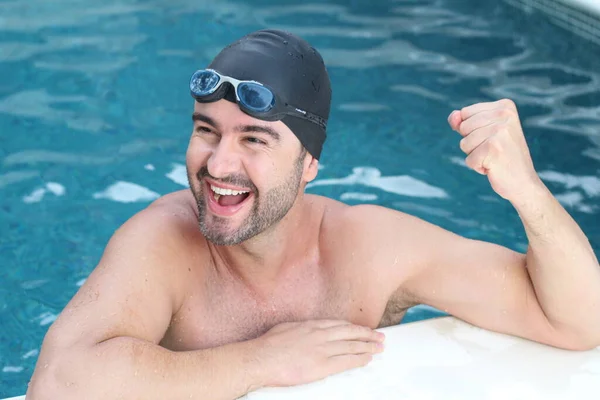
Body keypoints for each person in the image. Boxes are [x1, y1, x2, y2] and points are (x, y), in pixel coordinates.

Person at [26, 29, 600, 400]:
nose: (218, 164)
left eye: (255, 140)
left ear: (309, 166)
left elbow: (578, 322)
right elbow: (57, 383)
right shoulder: (162, 242)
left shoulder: (369, 248)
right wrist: (258, 361)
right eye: (206, 131)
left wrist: (527, 191)